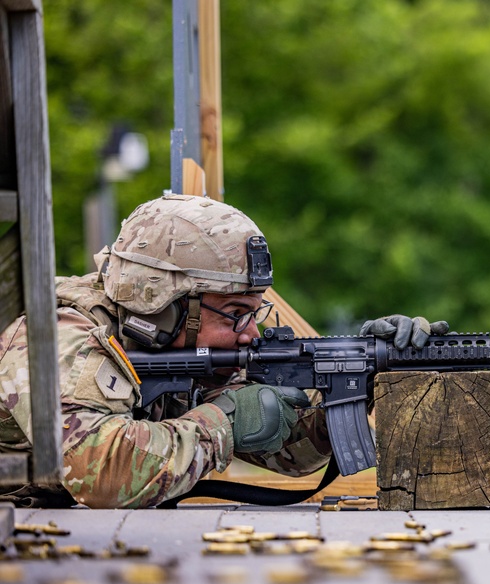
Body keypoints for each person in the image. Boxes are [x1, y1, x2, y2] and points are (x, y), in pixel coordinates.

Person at [0, 194, 446, 508]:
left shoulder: (184, 351)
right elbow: (106, 474)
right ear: (165, 302)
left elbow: (291, 456)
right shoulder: (59, 340)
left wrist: (360, 378)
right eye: (235, 313)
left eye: (256, 311)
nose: (251, 332)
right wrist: (225, 420)